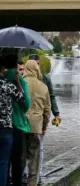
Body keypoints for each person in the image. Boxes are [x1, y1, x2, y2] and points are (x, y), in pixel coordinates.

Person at [28, 54, 61, 185]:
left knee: (39, 148)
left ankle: (38, 174)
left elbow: (51, 97)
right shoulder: (22, 79)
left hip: (39, 119)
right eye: (34, 64)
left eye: (38, 63)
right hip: (34, 120)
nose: (36, 66)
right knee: (29, 149)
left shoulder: (45, 79)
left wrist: (56, 113)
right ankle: (29, 175)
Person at [4, 54, 31, 186]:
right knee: (17, 160)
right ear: (16, 65)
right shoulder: (19, 81)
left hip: (2, 124)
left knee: (4, 160)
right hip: (17, 124)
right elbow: (26, 104)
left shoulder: (3, 79)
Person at [24, 60, 51, 186]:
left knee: (19, 158)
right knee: (34, 160)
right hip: (36, 127)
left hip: (20, 126)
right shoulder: (43, 86)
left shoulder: (19, 83)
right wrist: (44, 127)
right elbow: (47, 110)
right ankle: (32, 183)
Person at [0, 56, 25, 186]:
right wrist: (17, 82)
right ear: (3, 69)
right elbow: (22, 100)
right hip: (5, 128)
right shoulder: (8, 86)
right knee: (3, 163)